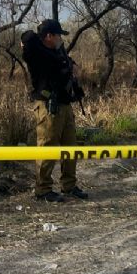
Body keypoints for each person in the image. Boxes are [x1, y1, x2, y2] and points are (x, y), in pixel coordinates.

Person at [22, 19, 88, 202]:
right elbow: (27, 38)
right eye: (58, 35)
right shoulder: (36, 54)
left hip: (65, 105)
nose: (61, 38)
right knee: (47, 147)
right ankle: (43, 189)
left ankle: (69, 185)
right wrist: (34, 35)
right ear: (49, 36)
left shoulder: (58, 52)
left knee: (70, 148)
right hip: (48, 107)